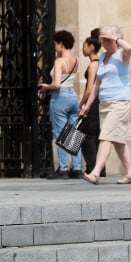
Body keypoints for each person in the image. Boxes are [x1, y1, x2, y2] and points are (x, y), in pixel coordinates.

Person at [79, 25, 131, 185]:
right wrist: (87, 106)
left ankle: (96, 172)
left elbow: (130, 47)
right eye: (102, 38)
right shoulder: (103, 57)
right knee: (117, 140)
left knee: (105, 136)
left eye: (106, 38)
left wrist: (116, 39)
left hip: (119, 102)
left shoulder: (121, 55)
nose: (103, 41)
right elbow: (96, 86)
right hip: (105, 103)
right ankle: (130, 172)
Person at [39, 30, 81, 179]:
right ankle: (77, 168)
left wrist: (45, 86)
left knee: (60, 133)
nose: (54, 46)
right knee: (73, 132)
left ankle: (63, 168)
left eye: (56, 43)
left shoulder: (59, 62)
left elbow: (56, 84)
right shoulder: (76, 60)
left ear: (61, 43)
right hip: (73, 96)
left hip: (60, 97)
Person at [79, 28, 105, 177]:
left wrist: (81, 103)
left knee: (87, 136)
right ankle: (99, 169)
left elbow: (89, 89)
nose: (83, 49)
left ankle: (91, 168)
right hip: (97, 103)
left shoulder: (93, 64)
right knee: (95, 136)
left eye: (84, 46)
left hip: (93, 104)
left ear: (91, 47)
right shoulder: (99, 62)